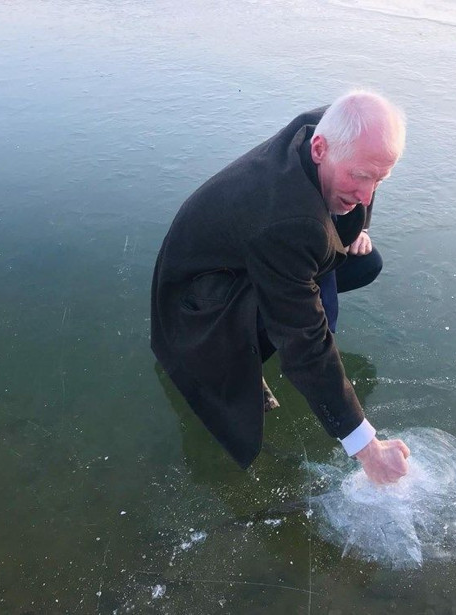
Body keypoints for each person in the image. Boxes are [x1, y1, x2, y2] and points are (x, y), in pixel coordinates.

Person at [151, 90, 410, 484]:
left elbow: (368, 170)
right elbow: (304, 339)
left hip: (255, 252)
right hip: (195, 303)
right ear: (320, 149)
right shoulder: (288, 220)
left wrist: (363, 223)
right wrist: (367, 448)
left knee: (364, 262)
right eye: (359, 178)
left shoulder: (333, 127)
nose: (366, 195)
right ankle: (236, 359)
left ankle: (279, 299)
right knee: (298, 315)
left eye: (379, 179)